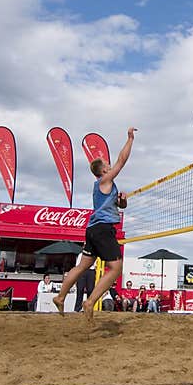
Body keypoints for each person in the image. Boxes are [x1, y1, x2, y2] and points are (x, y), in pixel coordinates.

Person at [53, 127, 137, 325]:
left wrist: (122, 201)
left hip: (93, 229)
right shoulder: (105, 180)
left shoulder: (104, 187)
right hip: (102, 229)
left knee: (83, 266)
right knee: (116, 269)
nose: (110, 165)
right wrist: (130, 139)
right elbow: (122, 161)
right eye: (108, 165)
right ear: (104, 170)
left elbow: (120, 205)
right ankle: (90, 302)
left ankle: (60, 297)